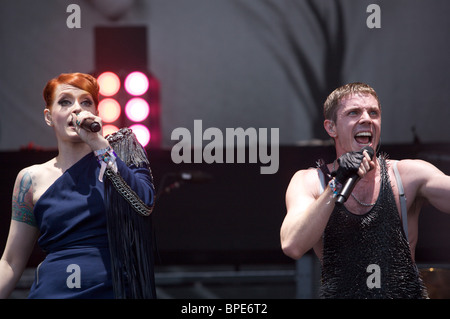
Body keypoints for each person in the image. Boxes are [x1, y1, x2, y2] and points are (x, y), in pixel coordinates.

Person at [280, 82, 450, 298]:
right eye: (354, 112)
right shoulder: (310, 181)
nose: (367, 119)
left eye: (373, 113)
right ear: (331, 128)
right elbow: (292, 245)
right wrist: (337, 184)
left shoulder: (408, 175)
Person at [0, 73, 156, 299]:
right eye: (65, 102)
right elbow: (11, 262)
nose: (76, 109)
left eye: (86, 102)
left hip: (111, 291)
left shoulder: (121, 155)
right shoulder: (30, 178)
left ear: (95, 113)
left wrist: (98, 145)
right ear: (49, 116)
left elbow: (144, 203)